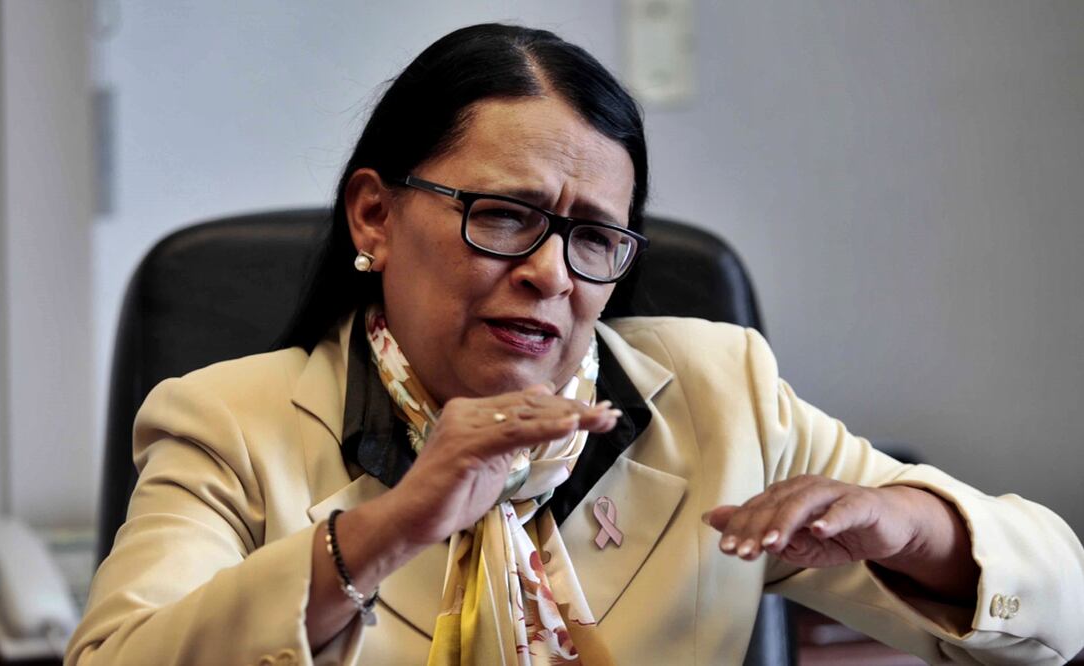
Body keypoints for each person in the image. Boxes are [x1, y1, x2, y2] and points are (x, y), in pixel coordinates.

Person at [67, 23, 1084, 666]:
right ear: (374, 216)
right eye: (505, 215)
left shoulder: (719, 396)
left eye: (594, 237)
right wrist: (386, 530)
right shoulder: (228, 423)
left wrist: (911, 529)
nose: (553, 273)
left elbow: (1063, 615)